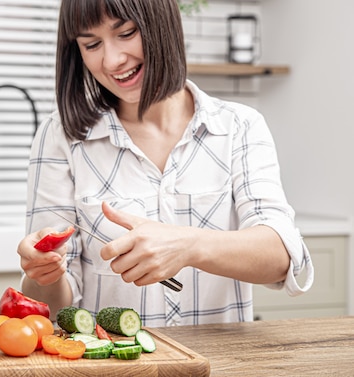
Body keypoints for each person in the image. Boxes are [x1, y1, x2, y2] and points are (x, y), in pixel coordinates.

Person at [17, 0, 314, 327]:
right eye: (92, 44)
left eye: (126, 33)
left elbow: (283, 257)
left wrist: (188, 245)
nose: (112, 60)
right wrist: (42, 274)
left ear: (162, 24)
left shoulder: (239, 126)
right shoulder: (61, 136)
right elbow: (48, 306)